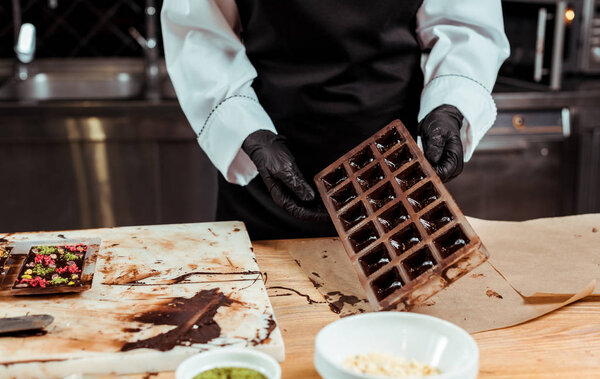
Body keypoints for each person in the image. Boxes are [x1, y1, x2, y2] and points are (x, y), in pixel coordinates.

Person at [161, 0, 510, 239]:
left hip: (395, 177)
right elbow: (198, 33)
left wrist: (450, 104)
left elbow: (466, 22)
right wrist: (247, 132)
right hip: (269, 174)